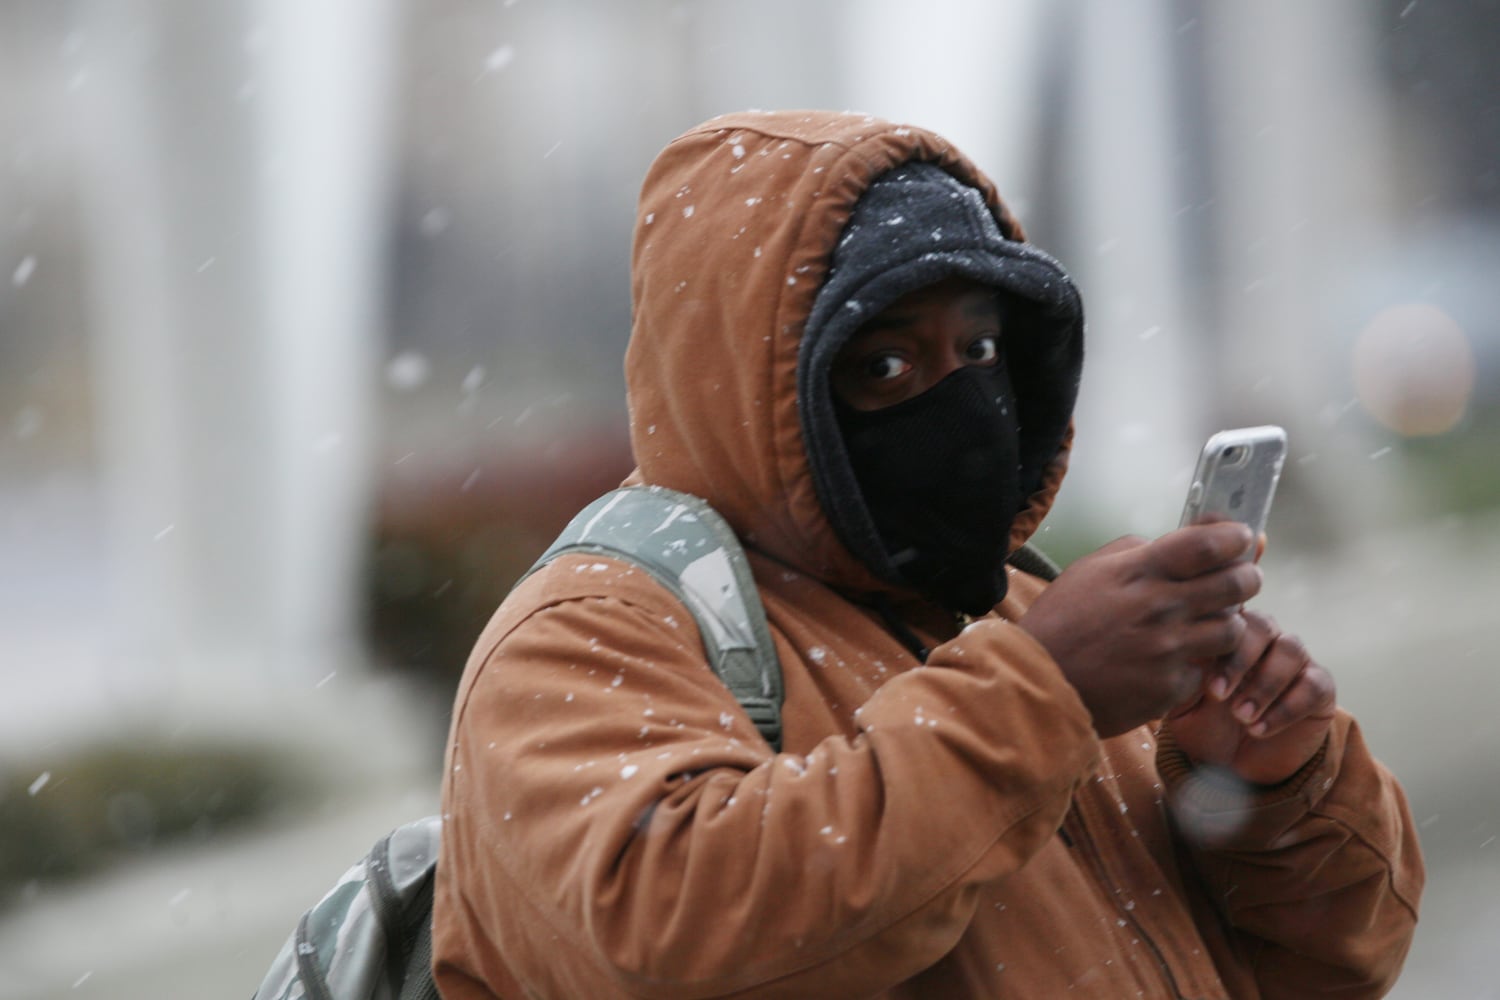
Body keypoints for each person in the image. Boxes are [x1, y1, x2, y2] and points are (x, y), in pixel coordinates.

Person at [432, 110, 1423, 998]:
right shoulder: (591, 632)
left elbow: (1336, 966)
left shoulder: (1020, 613)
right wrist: (1046, 698)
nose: (961, 405)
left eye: (981, 350)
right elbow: (668, 938)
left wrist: (1260, 785)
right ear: (749, 393)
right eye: (886, 364)